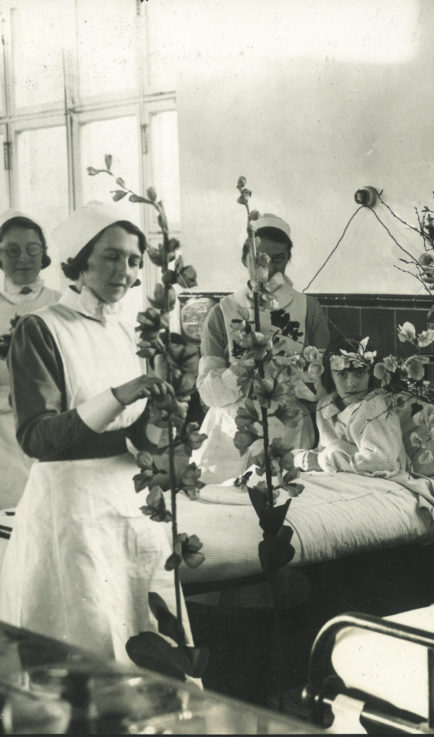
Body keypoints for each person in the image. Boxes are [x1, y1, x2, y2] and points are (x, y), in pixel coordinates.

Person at [0, 202, 185, 661]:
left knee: (146, 640)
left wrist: (167, 409)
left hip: (130, 507)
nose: (124, 270)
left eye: (133, 260)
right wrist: (119, 396)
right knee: (87, 649)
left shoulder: (124, 332)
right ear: (81, 260)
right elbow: (37, 438)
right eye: (110, 256)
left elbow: (136, 438)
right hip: (71, 513)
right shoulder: (41, 329)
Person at [195, 213, 331, 483]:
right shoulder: (222, 313)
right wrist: (243, 370)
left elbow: (321, 388)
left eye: (278, 259)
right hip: (230, 432)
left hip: (289, 428)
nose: (268, 268)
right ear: (245, 257)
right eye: (260, 258)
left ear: (288, 259)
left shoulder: (308, 310)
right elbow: (208, 393)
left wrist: (291, 372)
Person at [0, 210, 61, 509]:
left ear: (43, 254)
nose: (22, 258)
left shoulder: (61, 303)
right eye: (12, 250)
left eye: (32, 249)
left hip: (51, 424)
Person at [293, 338, 408, 477]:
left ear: (370, 374)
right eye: (342, 374)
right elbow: (325, 451)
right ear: (331, 374)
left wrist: (321, 460)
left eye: (359, 373)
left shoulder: (374, 406)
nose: (351, 383)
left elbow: (383, 462)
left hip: (385, 479)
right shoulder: (325, 406)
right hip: (343, 477)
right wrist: (303, 459)